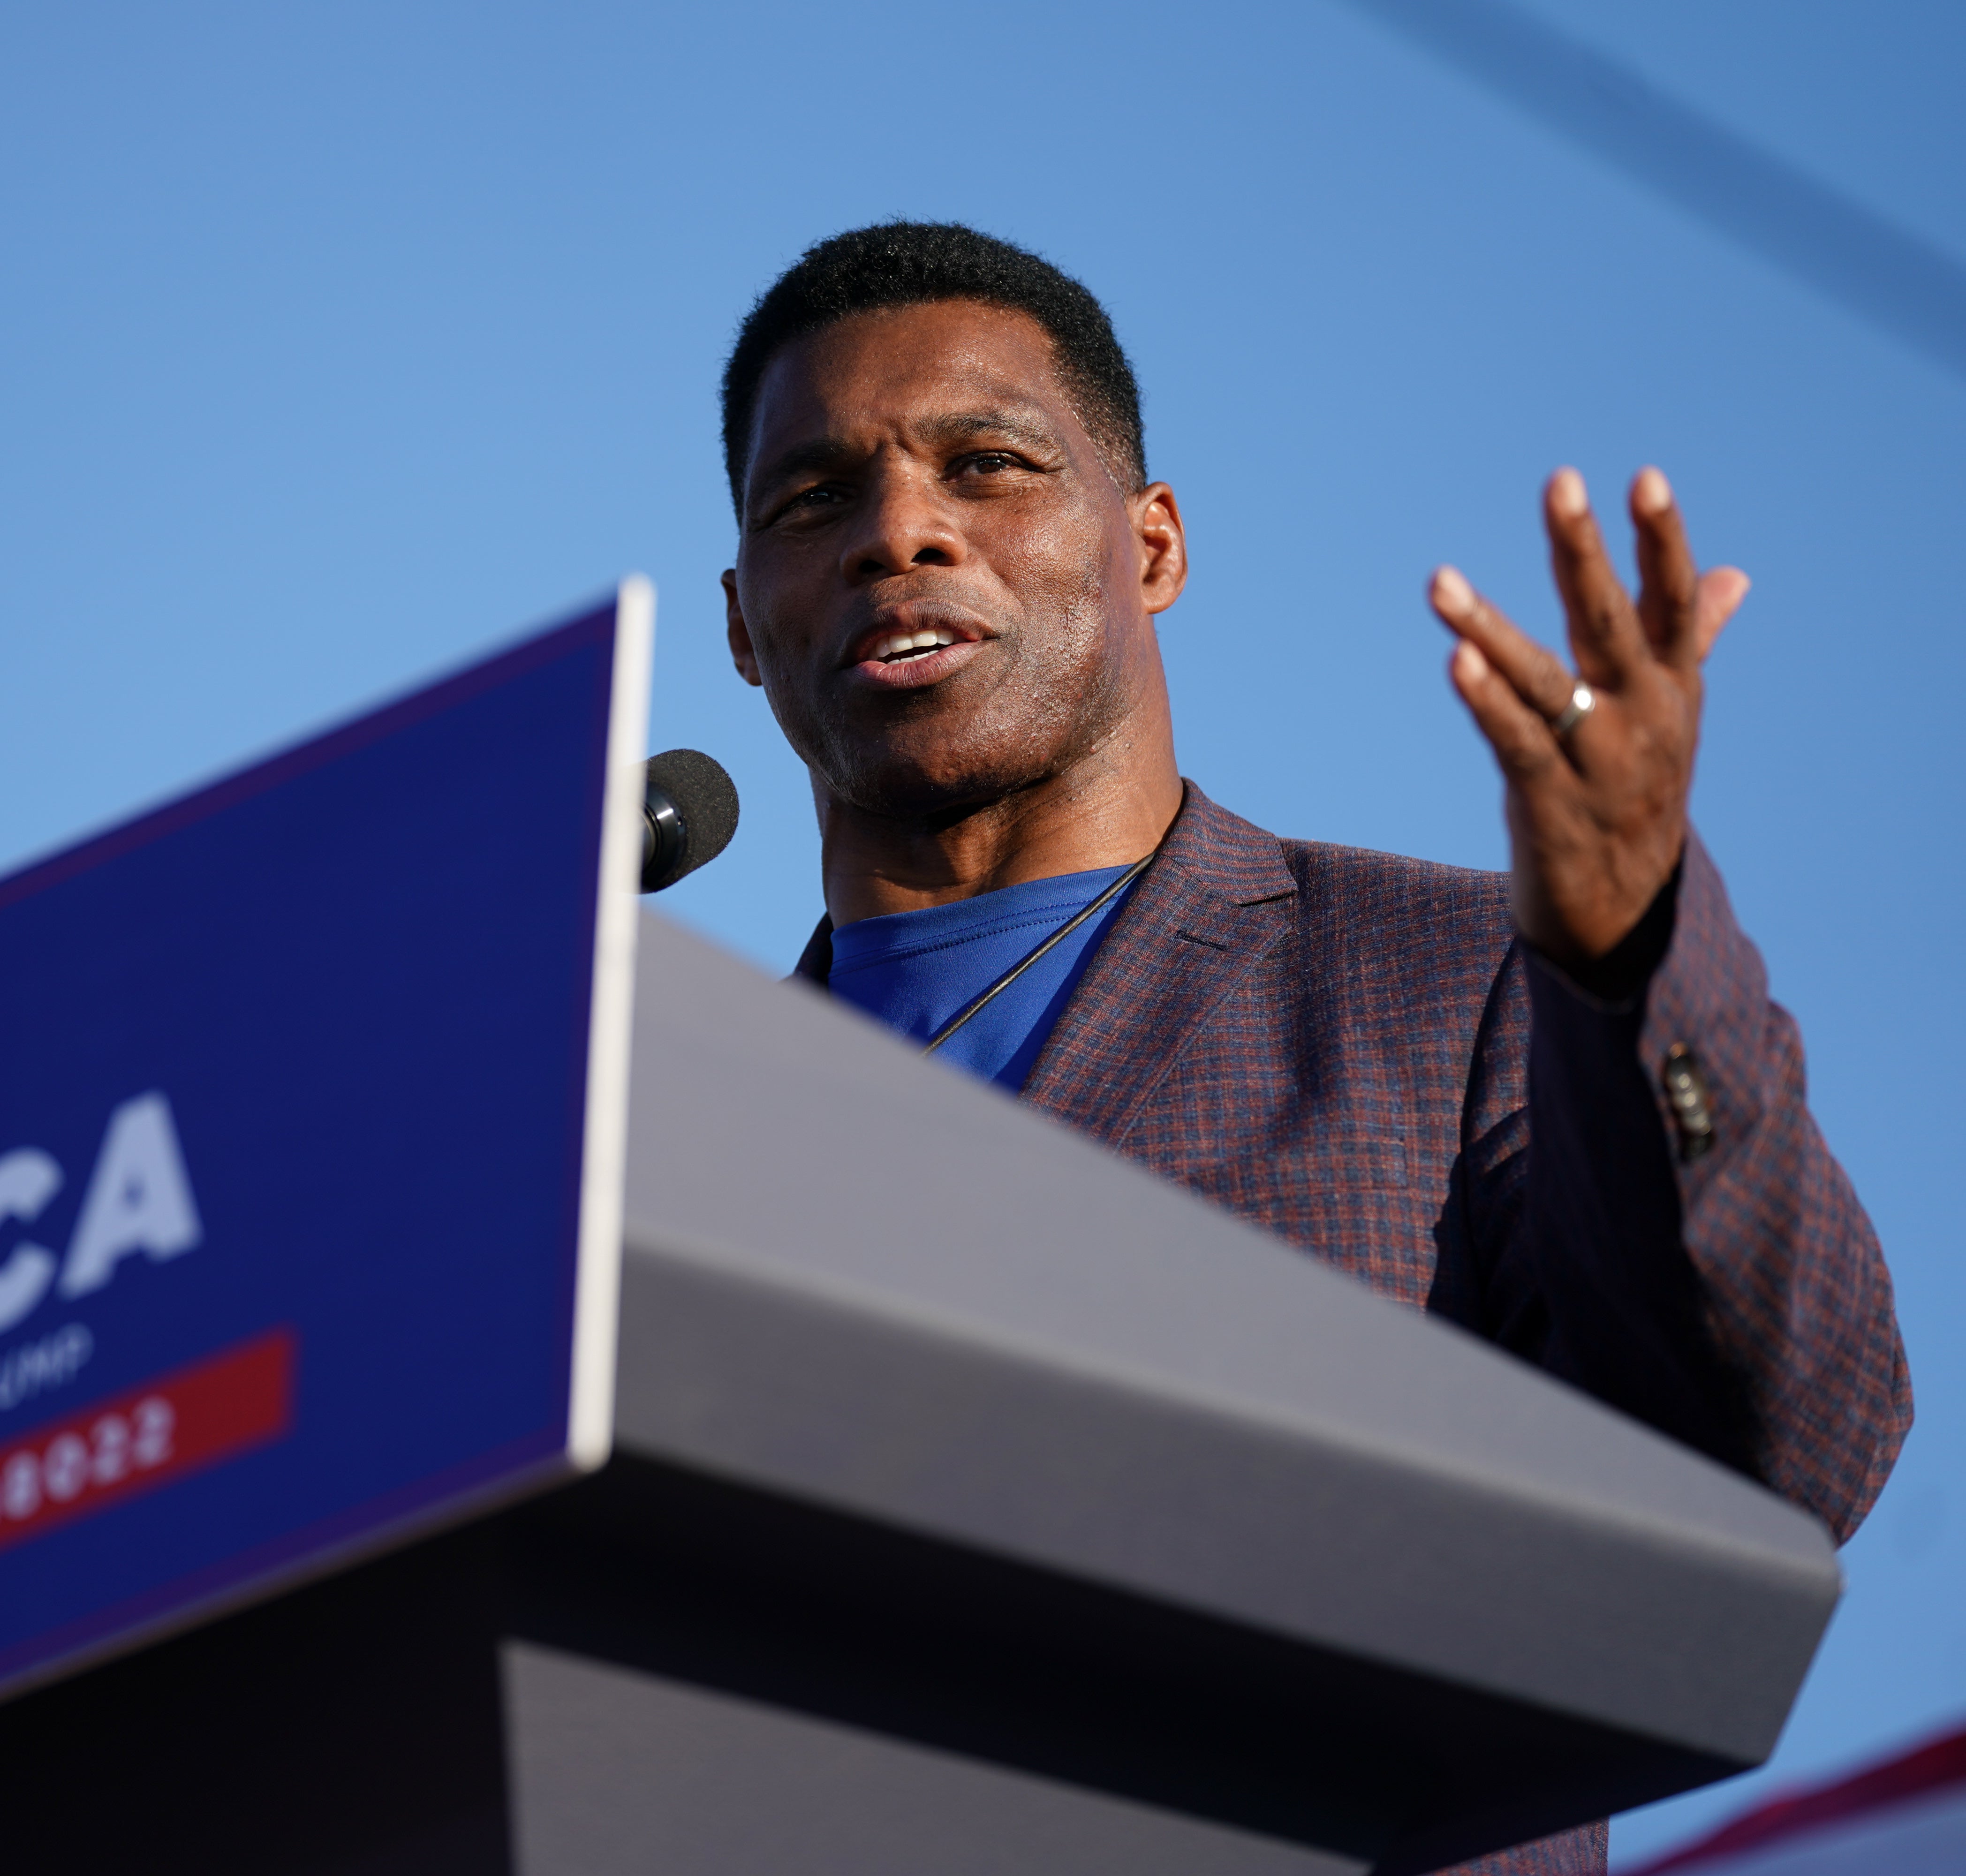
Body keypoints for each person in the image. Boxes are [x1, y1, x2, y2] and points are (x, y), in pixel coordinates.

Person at [717, 221, 1909, 1876]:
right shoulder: (678, 1140)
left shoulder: (1462, 981)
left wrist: (1636, 962)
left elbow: (1787, 1451)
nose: (897, 530)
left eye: (986, 465)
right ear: (739, 623)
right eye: (811, 500)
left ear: (1153, 548)